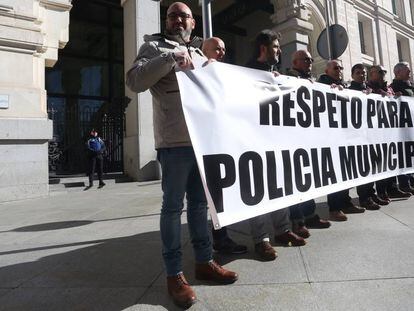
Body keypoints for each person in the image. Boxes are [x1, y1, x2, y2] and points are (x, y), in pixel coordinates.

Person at [125, 2, 237, 308]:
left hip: (204, 144)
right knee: (172, 209)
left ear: (193, 23)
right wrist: (170, 56)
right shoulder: (153, 47)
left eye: (183, 15)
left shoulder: (202, 54)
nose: (177, 19)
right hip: (174, 145)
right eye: (172, 15)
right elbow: (134, 82)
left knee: (200, 206)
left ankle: (204, 261)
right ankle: (174, 274)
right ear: (167, 21)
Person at [245, 29, 306, 262]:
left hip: (277, 140)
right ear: (264, 48)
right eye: (276, 47)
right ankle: (261, 239)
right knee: (258, 189)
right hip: (254, 141)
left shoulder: (276, 72)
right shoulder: (245, 72)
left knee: (280, 184)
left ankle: (282, 230)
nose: (280, 50)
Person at [202, 37, 248, 255]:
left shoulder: (227, 74)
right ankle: (209, 243)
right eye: (216, 49)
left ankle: (221, 239)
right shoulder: (197, 69)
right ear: (204, 51)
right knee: (204, 199)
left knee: (220, 196)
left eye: (223, 49)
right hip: (205, 144)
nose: (221, 52)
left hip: (224, 143)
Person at [285, 50, 331, 235]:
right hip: (293, 138)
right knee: (296, 182)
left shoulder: (312, 80)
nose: (310, 62)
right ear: (295, 62)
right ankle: (297, 220)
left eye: (311, 59)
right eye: (306, 59)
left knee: (308, 179)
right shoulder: (287, 77)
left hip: (310, 138)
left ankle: (310, 214)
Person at [317, 60, 366, 222]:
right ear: (327, 70)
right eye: (336, 68)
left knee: (346, 172)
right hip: (332, 137)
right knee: (336, 174)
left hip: (346, 136)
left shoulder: (343, 85)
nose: (339, 70)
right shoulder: (322, 83)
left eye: (341, 67)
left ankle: (346, 203)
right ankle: (334, 208)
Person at [367, 65, 411, 201]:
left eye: (384, 72)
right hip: (375, 134)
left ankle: (391, 188)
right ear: (371, 74)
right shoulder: (368, 88)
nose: (383, 74)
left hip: (391, 133)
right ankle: (376, 193)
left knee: (391, 161)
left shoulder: (389, 88)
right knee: (379, 164)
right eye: (379, 72)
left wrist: (395, 97)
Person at [348, 64, 385, 210]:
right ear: (352, 75)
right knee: (363, 169)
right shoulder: (349, 90)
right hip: (358, 136)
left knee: (372, 167)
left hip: (371, 135)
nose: (361, 75)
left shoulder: (370, 90)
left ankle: (371, 193)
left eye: (363, 73)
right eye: (358, 73)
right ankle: (364, 198)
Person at [390, 62, 414, 194]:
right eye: (407, 70)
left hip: (411, 128)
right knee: (403, 156)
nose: (410, 73)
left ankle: (411, 180)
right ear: (398, 72)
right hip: (400, 129)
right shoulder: (393, 88)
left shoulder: (411, 87)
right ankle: (404, 183)